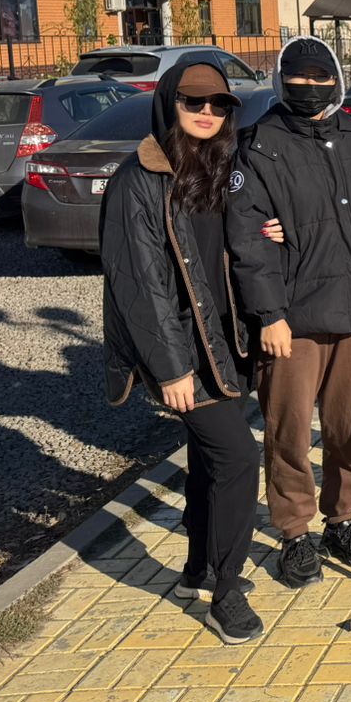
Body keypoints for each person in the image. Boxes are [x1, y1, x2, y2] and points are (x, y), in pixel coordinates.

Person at [227, 36, 351, 588]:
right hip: (295, 321)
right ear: (281, 81)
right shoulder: (261, 146)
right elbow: (248, 241)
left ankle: (343, 518)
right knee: (288, 430)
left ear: (337, 77)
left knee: (347, 426)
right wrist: (269, 314)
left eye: (319, 78)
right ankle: (294, 530)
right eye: (297, 80)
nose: (309, 89)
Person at [101, 57, 263, 642]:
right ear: (168, 104)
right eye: (193, 102)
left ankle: (198, 566)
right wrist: (171, 369)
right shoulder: (137, 181)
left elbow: (229, 248)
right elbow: (139, 286)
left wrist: (270, 231)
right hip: (179, 353)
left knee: (206, 461)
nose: (206, 113)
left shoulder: (218, 168)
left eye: (218, 105)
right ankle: (225, 591)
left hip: (224, 345)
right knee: (239, 459)